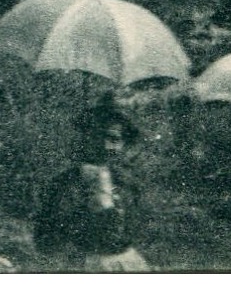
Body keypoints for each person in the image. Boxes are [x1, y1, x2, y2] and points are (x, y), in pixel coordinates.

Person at [34, 100, 147, 272]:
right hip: (84, 264)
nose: (105, 146)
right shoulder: (65, 183)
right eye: (98, 136)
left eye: (114, 139)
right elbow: (45, 239)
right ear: (85, 137)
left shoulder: (126, 183)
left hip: (126, 262)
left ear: (124, 143)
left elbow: (132, 227)